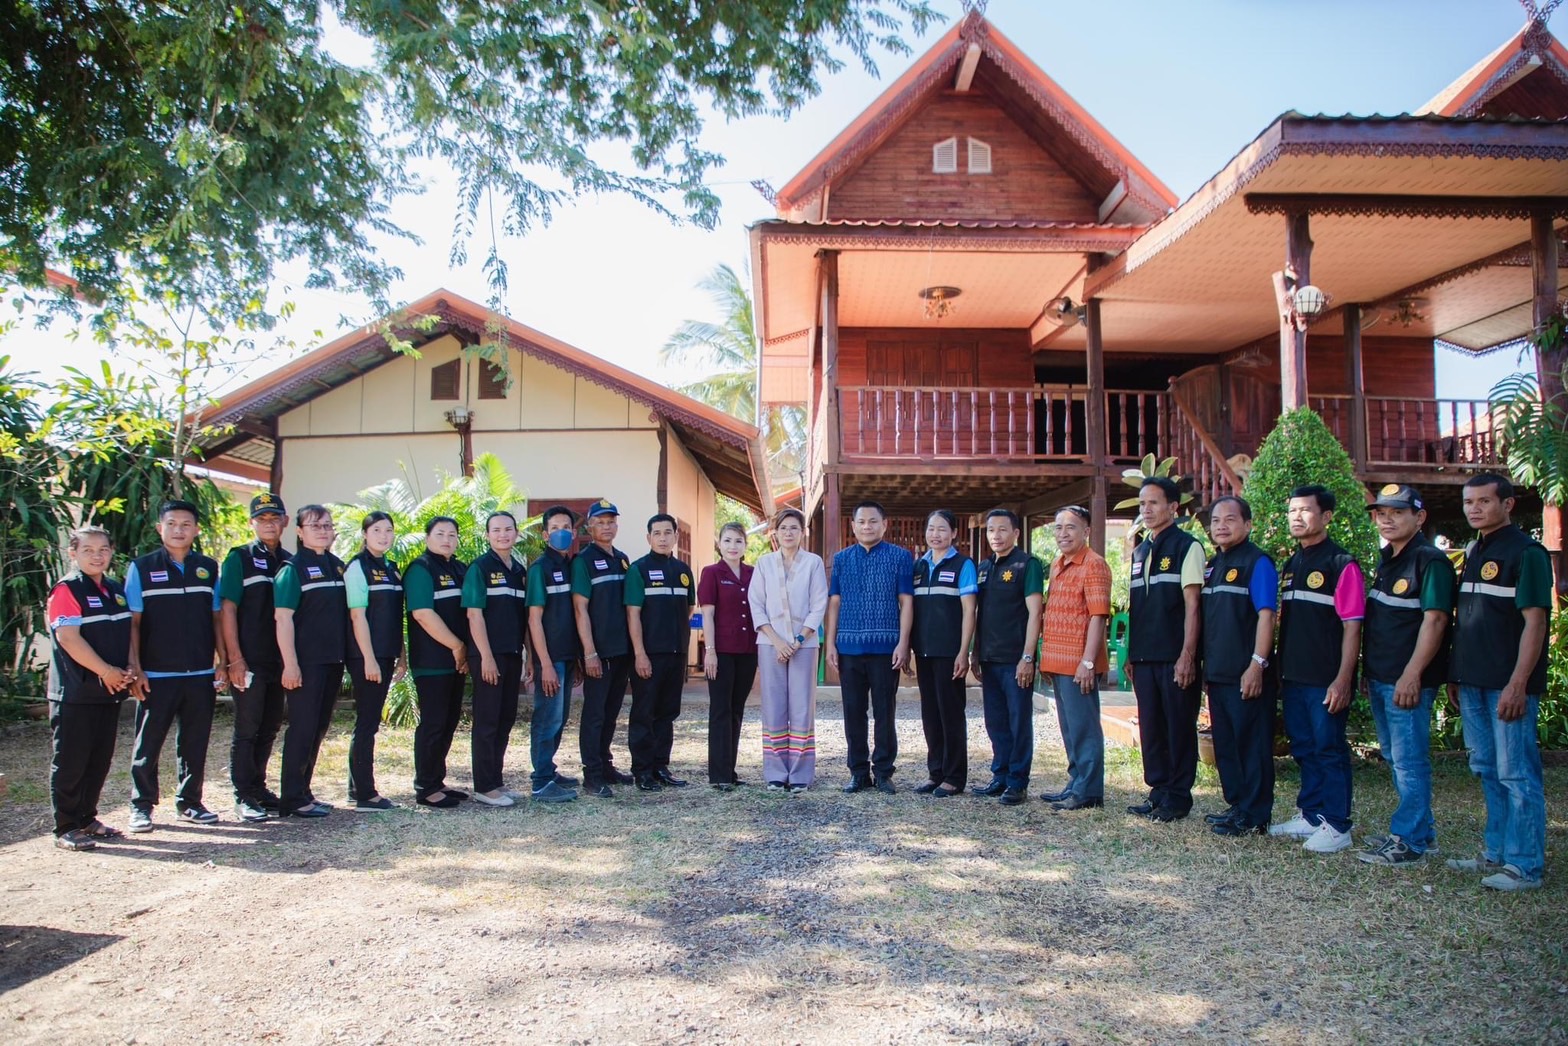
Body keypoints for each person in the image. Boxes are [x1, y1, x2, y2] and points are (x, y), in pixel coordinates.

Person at [1446, 473, 1551, 892]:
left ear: (1507, 504)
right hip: (1471, 681)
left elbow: (1536, 622)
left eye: (1484, 501)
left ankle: (1525, 865)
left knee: (1517, 774)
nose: (1474, 509)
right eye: (1469, 502)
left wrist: (1518, 683)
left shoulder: (1528, 553)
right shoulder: (1474, 550)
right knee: (1487, 768)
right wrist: (1456, 673)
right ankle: (1497, 852)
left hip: (1507, 685)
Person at [1356, 484, 1453, 866]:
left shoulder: (1430, 562)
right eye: (1381, 512)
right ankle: (1421, 835)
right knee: (1397, 757)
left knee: (1410, 761)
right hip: (1381, 677)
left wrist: (1412, 674)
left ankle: (1409, 841)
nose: (1387, 519)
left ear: (1420, 517)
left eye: (1397, 512)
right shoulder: (1388, 560)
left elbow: (1437, 620)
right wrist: (1368, 671)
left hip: (1408, 681)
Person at [1270, 485, 1364, 854]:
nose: (1297, 517)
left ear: (1326, 517)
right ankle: (1312, 815)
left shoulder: (1342, 564)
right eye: (1292, 510)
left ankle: (1338, 825)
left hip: (1326, 679)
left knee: (1329, 749)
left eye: (1305, 510)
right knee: (1305, 747)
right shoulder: (1292, 564)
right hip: (1294, 676)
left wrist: (1343, 679)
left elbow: (1352, 626)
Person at [125, 499, 226, 832]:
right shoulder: (141, 568)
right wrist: (135, 668)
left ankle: (190, 802)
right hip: (156, 674)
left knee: (194, 742)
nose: (179, 530)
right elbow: (133, 623)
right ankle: (141, 806)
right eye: (172, 524)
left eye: (186, 524)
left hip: (199, 672)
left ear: (196, 530)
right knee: (148, 743)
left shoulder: (208, 567)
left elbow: (216, 618)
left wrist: (222, 662)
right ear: (160, 528)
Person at [46, 527, 134, 851]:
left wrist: (129, 669)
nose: (97, 556)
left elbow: (127, 634)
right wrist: (106, 671)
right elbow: (68, 639)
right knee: (71, 760)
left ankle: (87, 818)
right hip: (76, 693)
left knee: (99, 760)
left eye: (103, 549)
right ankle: (65, 826)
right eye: (88, 550)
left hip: (108, 693)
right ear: (73, 554)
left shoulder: (115, 589)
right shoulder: (66, 590)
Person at [1125, 477, 1204, 823]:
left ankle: (1178, 796)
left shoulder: (1188, 547)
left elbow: (1193, 606)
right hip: (1144, 656)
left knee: (1178, 726)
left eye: (1154, 503)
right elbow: (1135, 607)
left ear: (1173, 507)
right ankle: (1158, 791)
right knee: (1152, 727)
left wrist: (1188, 654)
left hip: (1175, 657)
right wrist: (1130, 652)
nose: (1146, 509)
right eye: (1142, 504)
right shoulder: (1140, 551)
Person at [1199, 496, 1278, 836]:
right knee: (1227, 744)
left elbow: (1267, 615)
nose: (1221, 526)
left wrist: (1257, 664)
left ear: (1248, 525)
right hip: (1217, 672)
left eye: (1230, 519)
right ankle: (1237, 805)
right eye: (1216, 520)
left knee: (1251, 745)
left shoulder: (1257, 563)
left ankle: (1255, 813)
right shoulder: (1214, 565)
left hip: (1246, 673)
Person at [825, 500, 913, 794]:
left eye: (873, 521)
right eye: (861, 522)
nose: (867, 526)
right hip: (849, 647)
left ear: (884, 524)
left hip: (887, 648)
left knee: (885, 711)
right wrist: (832, 644)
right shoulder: (841, 559)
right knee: (853, 711)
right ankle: (858, 771)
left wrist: (904, 642)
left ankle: (884, 772)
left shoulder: (900, 557)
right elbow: (834, 602)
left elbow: (906, 602)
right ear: (853, 526)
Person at [218, 492, 291, 823]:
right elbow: (227, 608)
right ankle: (243, 794)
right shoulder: (239, 558)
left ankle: (259, 788)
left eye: (274, 518)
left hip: (280, 660)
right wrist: (234, 658)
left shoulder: (290, 560)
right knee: (247, 727)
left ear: (285, 522)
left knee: (270, 725)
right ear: (252, 524)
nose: (269, 524)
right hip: (249, 659)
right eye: (262, 519)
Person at [273, 504, 349, 819]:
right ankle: (290, 796)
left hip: (332, 661)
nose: (322, 530)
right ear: (300, 532)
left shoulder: (338, 566)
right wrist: (290, 665)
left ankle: (305, 791)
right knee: (302, 728)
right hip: (305, 664)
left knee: (318, 728)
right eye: (315, 525)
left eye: (327, 525)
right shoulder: (292, 569)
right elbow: (283, 619)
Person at [1038, 506, 1112, 813]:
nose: (1063, 533)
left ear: (1086, 531)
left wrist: (1088, 662)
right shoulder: (1058, 564)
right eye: (1058, 527)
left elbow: (1098, 616)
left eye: (1071, 527)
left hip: (1079, 662)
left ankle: (1089, 791)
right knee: (1069, 727)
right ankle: (1075, 782)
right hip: (1057, 659)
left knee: (1084, 728)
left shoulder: (1094, 565)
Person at [749, 508, 828, 792]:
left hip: (804, 644)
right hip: (770, 644)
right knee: (773, 706)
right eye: (783, 528)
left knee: (802, 707)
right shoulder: (764, 563)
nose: (788, 533)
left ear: (802, 532)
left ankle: (800, 774)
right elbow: (756, 603)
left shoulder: (813, 563)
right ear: (775, 532)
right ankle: (774, 771)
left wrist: (796, 640)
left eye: (794, 528)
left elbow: (819, 603)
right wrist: (777, 640)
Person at [969, 508, 1044, 807]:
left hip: (1016, 659)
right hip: (989, 657)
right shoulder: (984, 567)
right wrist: (975, 650)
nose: (995, 536)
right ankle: (999, 774)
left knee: (1018, 721)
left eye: (1002, 530)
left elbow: (1035, 613)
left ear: (1015, 533)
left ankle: (1017, 781)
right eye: (990, 530)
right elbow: (978, 613)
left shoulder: (1028, 565)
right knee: (995, 721)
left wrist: (1028, 656)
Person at [463, 511, 532, 807]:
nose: (502, 534)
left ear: (516, 533)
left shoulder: (518, 569)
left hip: (512, 654)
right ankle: (483, 786)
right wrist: (486, 657)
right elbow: (474, 614)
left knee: (505, 719)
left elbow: (524, 618)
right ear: (487, 535)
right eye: (496, 530)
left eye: (507, 529)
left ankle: (497, 781)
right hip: (487, 657)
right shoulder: (479, 568)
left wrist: (528, 656)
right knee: (487, 720)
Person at [625, 513, 696, 791]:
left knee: (667, 713)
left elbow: (689, 609)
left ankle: (660, 766)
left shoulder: (683, 570)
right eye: (657, 533)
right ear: (648, 538)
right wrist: (639, 653)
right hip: (649, 655)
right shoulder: (638, 570)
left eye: (668, 533)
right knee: (645, 712)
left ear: (676, 536)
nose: (663, 538)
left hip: (676, 654)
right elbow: (633, 614)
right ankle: (642, 771)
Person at [403, 516, 470, 809]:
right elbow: (422, 614)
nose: (447, 539)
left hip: (457, 660)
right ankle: (425, 787)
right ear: (427, 537)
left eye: (452, 534)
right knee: (433, 723)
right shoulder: (421, 569)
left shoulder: (458, 568)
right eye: (440, 533)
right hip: (432, 661)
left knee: (448, 722)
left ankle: (437, 781)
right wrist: (457, 645)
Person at [909, 509, 976, 798]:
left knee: (951, 713)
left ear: (953, 533)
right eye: (931, 528)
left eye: (942, 529)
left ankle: (954, 776)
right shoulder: (919, 567)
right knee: (930, 713)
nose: (935, 534)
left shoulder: (963, 565)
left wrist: (964, 651)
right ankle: (935, 772)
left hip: (950, 653)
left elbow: (969, 610)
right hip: (923, 652)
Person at [573, 499, 636, 798]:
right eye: (600, 521)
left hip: (621, 650)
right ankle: (592, 775)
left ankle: (606, 764)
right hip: (599, 652)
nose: (607, 526)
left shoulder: (622, 559)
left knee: (611, 713)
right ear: (589, 527)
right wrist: (589, 652)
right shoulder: (583, 561)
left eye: (611, 521)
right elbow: (580, 610)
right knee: (595, 713)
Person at [345, 511, 404, 811]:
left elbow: (395, 617)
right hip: (366, 656)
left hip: (386, 653)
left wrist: (402, 655)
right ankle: (365, 794)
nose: (384, 535)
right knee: (367, 723)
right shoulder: (358, 567)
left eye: (389, 530)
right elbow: (357, 616)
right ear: (364, 534)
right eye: (377, 530)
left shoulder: (391, 568)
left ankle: (356, 787)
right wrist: (368, 658)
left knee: (369, 722)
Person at [525, 505, 582, 803]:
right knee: (547, 718)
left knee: (559, 718)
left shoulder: (572, 565)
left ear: (573, 533)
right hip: (551, 658)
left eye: (566, 527)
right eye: (555, 528)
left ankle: (549, 768)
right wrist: (544, 663)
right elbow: (534, 619)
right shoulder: (539, 569)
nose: (561, 532)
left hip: (569, 655)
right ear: (546, 534)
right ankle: (541, 781)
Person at [698, 521, 758, 790]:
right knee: (720, 711)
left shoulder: (753, 573)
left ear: (745, 545)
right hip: (721, 651)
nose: (733, 546)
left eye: (738, 541)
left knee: (736, 710)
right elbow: (707, 615)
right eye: (728, 540)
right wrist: (709, 652)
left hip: (748, 650)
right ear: (719, 544)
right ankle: (719, 775)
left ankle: (730, 771)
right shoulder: (711, 573)